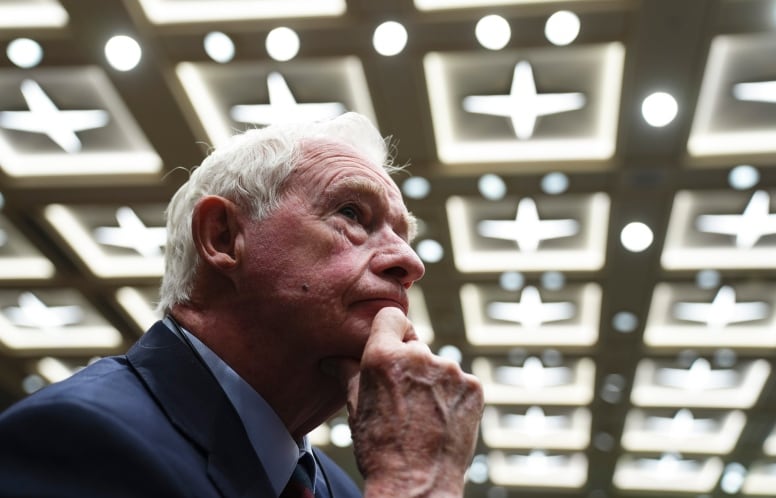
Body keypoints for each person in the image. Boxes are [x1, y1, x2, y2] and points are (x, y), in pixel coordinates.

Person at [0, 112, 484, 497]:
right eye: (352, 213)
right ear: (224, 236)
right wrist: (416, 484)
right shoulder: (77, 439)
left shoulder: (340, 488)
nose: (410, 261)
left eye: (404, 234)